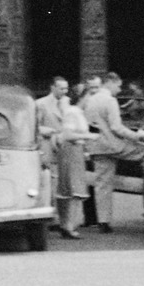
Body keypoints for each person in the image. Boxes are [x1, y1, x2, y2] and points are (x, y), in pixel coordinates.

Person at [82, 72, 144, 232]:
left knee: (102, 184)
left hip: (96, 145)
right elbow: (116, 127)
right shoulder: (109, 100)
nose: (119, 89)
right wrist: (136, 137)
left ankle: (103, 222)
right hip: (114, 145)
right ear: (110, 83)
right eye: (118, 85)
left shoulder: (90, 100)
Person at [53, 91, 92, 239]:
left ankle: (67, 224)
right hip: (71, 150)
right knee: (72, 188)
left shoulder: (78, 112)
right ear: (82, 97)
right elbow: (68, 135)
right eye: (89, 96)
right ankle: (68, 226)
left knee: (72, 188)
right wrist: (88, 136)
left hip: (76, 150)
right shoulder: (72, 112)